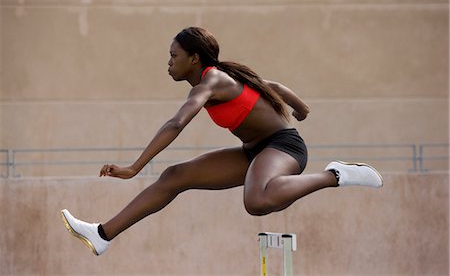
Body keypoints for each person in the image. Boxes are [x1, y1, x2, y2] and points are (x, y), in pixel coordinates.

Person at [61, 26, 383, 256]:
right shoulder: (226, 76)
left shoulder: (211, 80)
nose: (169, 62)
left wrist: (134, 168)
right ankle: (102, 234)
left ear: (195, 59)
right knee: (175, 176)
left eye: (174, 56)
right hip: (253, 151)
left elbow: (176, 123)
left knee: (256, 201)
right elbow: (274, 87)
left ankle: (336, 175)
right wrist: (301, 108)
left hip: (283, 146)